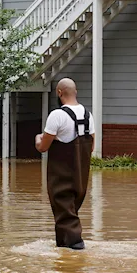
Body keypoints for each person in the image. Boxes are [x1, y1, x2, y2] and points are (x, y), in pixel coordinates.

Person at [35, 77, 93, 250]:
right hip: (81, 175)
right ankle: (64, 247)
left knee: (63, 207)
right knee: (69, 210)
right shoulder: (88, 115)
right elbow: (91, 146)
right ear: (76, 92)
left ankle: (75, 245)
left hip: (62, 175)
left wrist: (38, 139)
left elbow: (43, 147)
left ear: (59, 93)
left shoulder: (57, 115)